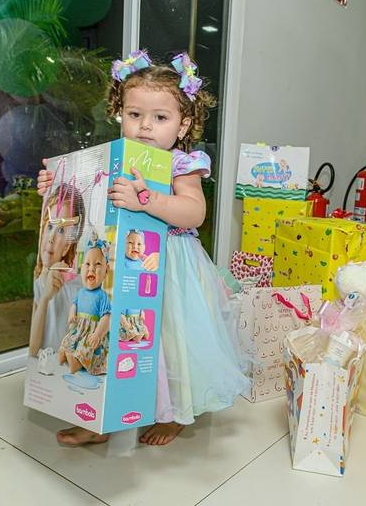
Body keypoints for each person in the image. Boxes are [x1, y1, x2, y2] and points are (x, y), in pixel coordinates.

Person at [38, 50, 249, 446]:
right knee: (107, 338)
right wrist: (56, 186)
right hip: (117, 263)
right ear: (120, 114)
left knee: (168, 344)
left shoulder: (181, 164)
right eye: (135, 114)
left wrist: (147, 200)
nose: (145, 126)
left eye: (160, 117)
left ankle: (173, 414)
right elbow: (86, 199)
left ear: (184, 124)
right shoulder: (113, 158)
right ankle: (99, 416)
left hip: (168, 267)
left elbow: (194, 212)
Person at [28, 185, 85, 357]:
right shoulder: (38, 282)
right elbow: (32, 350)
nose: (51, 238)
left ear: (68, 245)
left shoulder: (79, 288)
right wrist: (45, 298)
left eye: (60, 230)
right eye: (50, 226)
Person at [58, 240, 111, 375]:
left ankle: (76, 363)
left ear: (106, 270)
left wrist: (98, 335)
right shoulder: (81, 292)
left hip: (92, 333)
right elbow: (74, 304)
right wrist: (72, 313)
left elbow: (107, 317)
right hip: (79, 329)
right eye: (87, 264)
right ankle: (66, 355)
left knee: (86, 347)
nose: (91, 268)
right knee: (67, 341)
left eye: (97, 264)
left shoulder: (102, 296)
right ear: (81, 269)